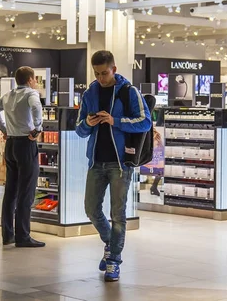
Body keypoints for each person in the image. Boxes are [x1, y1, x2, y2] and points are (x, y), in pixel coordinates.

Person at [75, 50, 151, 283]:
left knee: (118, 214)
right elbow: (79, 129)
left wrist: (115, 121)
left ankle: (114, 261)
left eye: (104, 73)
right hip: (96, 161)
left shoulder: (129, 92)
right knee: (91, 209)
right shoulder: (90, 93)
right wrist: (88, 122)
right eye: (97, 73)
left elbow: (145, 121)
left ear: (114, 69)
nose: (101, 78)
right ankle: (110, 243)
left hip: (121, 163)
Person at [0, 66, 45, 248]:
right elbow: (36, 108)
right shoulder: (31, 94)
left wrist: (4, 129)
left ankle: (8, 234)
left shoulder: (8, 95)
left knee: (10, 191)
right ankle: (23, 236)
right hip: (26, 145)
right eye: (34, 79)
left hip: (10, 145)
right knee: (26, 192)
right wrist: (37, 128)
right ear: (30, 79)